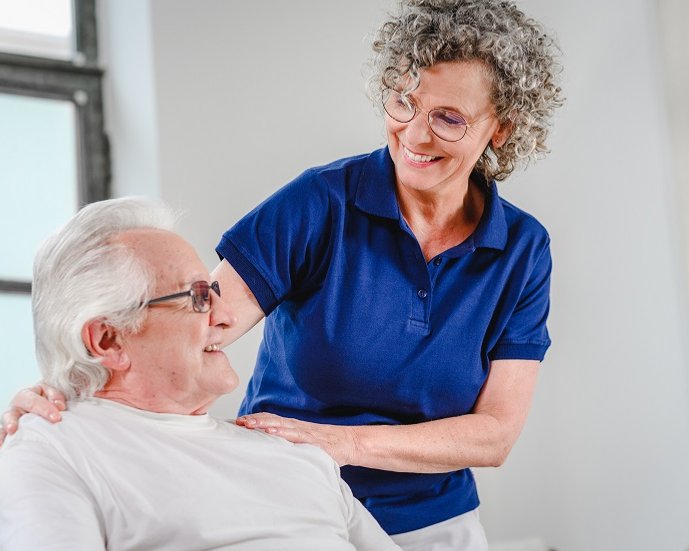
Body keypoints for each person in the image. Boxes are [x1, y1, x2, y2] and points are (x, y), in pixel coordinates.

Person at [2, 1, 564, 549]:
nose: (414, 136)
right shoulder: (321, 203)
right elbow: (190, 322)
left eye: (447, 118)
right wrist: (65, 388)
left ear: (501, 129)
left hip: (429, 518)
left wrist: (332, 445)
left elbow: (494, 434)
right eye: (403, 102)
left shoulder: (522, 248)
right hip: (277, 490)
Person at [0, 197, 400, 551]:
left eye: (215, 293)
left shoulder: (292, 450)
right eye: (198, 298)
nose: (226, 317)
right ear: (108, 341)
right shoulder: (55, 449)